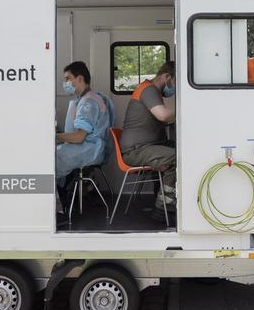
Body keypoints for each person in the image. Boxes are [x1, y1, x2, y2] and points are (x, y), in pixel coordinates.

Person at [55, 61, 115, 218]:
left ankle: (58, 209)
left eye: (68, 78)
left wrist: (54, 137)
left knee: (50, 159)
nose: (66, 83)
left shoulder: (88, 103)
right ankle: (64, 200)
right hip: (93, 147)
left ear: (80, 79)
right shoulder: (93, 97)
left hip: (88, 149)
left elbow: (80, 136)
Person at [119, 61, 177, 221]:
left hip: (146, 146)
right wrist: (185, 108)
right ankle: (163, 209)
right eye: (175, 83)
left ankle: (166, 200)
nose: (174, 89)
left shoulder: (153, 91)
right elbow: (163, 115)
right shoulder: (148, 90)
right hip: (136, 150)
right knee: (178, 158)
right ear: (167, 77)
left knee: (183, 149)